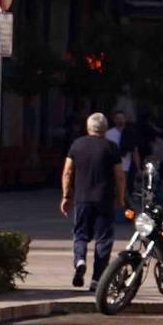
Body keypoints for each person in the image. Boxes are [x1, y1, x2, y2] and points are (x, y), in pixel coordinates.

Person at [60, 112, 126, 288]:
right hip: (104, 199)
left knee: (80, 234)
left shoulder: (77, 145)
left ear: (88, 127)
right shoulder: (111, 147)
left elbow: (67, 172)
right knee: (103, 239)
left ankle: (80, 260)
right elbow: (119, 175)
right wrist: (120, 197)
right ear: (105, 128)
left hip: (82, 199)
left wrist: (66, 196)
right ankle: (97, 279)